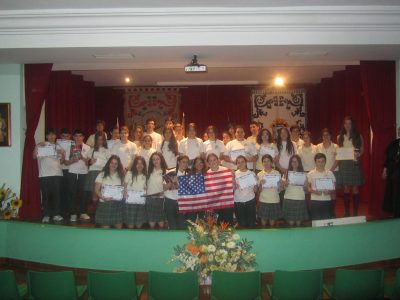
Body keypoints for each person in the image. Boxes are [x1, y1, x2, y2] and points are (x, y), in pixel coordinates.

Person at [33, 128, 65, 223]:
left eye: (53, 135)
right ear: (46, 136)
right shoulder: (42, 145)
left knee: (56, 195)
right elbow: (34, 156)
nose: (52, 136)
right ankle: (46, 214)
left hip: (57, 173)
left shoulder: (58, 146)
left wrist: (63, 155)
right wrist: (37, 146)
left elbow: (62, 161)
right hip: (44, 174)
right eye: (50, 135)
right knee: (46, 195)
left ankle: (56, 214)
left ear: (56, 136)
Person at [337, 116, 365, 216]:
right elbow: (339, 151)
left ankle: (356, 213)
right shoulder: (339, 137)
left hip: (355, 163)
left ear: (352, 125)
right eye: (346, 124)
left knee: (355, 189)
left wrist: (359, 154)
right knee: (346, 189)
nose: (348, 126)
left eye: (349, 123)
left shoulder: (359, 136)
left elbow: (362, 150)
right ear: (343, 125)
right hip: (344, 164)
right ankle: (347, 212)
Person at [64, 129, 91, 222]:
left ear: (83, 137)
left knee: (83, 194)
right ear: (73, 137)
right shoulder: (69, 148)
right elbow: (66, 163)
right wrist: (73, 161)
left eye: (80, 136)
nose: (78, 138)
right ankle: (73, 213)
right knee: (72, 193)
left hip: (84, 173)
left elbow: (89, 163)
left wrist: (83, 158)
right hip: (72, 172)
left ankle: (83, 212)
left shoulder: (88, 148)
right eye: (76, 136)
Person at [94, 155, 125, 228]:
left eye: (116, 163)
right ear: (108, 163)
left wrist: (123, 194)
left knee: (119, 228)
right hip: (105, 204)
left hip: (117, 205)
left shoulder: (121, 175)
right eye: (112, 163)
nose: (113, 165)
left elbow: (123, 189)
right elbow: (96, 189)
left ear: (118, 165)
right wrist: (103, 197)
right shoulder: (102, 174)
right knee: (105, 230)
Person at [316, 128, 339, 217]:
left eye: (327, 135)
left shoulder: (336, 146)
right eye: (324, 135)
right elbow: (316, 158)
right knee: (322, 192)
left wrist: (330, 171)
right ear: (322, 136)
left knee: (332, 192)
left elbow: (337, 159)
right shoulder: (318, 146)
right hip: (320, 173)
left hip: (333, 172)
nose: (325, 137)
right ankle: (322, 211)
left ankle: (332, 212)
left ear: (331, 136)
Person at [207, 153, 234, 224]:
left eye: (214, 160)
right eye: (210, 160)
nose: (213, 162)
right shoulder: (206, 174)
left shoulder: (226, 170)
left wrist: (233, 177)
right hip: (214, 205)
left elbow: (232, 184)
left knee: (228, 225)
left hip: (227, 203)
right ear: (208, 163)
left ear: (218, 160)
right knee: (216, 225)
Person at [163, 155, 190, 229]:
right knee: (172, 226)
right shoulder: (171, 172)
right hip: (170, 202)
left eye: (187, 162)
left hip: (181, 203)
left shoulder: (187, 175)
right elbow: (163, 188)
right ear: (178, 162)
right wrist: (171, 182)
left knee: (181, 225)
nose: (185, 164)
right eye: (183, 162)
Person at [307, 153, 336, 220]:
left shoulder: (330, 173)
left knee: (326, 222)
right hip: (315, 201)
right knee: (315, 222)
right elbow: (306, 187)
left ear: (325, 162)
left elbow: (334, 187)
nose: (321, 163)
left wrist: (330, 191)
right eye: (318, 161)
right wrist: (314, 191)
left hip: (327, 200)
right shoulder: (310, 173)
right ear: (315, 162)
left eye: (323, 161)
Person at [282, 155, 309, 226]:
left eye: (296, 161)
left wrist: (305, 186)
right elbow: (283, 188)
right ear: (290, 163)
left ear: (299, 162)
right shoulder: (286, 173)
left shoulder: (304, 174)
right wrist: (285, 184)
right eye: (292, 161)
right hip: (289, 198)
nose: (294, 163)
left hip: (300, 198)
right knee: (291, 223)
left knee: (298, 223)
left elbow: (306, 191)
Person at [257, 154, 282, 227]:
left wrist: (279, 184)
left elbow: (279, 189)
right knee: (263, 222)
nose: (266, 163)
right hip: (264, 200)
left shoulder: (277, 173)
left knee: (272, 223)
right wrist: (261, 184)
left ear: (271, 162)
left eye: (268, 161)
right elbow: (258, 191)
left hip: (274, 199)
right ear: (262, 163)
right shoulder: (259, 174)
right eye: (264, 161)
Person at [85, 132, 110, 203]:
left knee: (103, 191)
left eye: (102, 139)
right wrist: (90, 161)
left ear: (104, 140)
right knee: (94, 192)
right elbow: (87, 163)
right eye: (98, 139)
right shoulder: (92, 149)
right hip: (93, 172)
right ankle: (94, 211)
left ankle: (101, 209)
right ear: (96, 140)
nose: (100, 141)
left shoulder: (107, 150)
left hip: (103, 172)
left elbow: (110, 163)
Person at [124, 156, 148, 229]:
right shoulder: (129, 173)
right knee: (130, 225)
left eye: (141, 164)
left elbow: (147, 189)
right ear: (134, 165)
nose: (140, 165)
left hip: (140, 203)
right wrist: (125, 192)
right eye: (137, 163)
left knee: (139, 225)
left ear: (144, 165)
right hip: (130, 203)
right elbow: (124, 186)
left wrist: (146, 193)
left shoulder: (146, 176)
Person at [234, 155, 257, 228]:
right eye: (238, 162)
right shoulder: (234, 174)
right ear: (236, 164)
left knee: (251, 223)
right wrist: (234, 186)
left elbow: (255, 189)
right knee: (242, 224)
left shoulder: (252, 174)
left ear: (246, 163)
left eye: (242, 162)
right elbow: (232, 189)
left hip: (250, 199)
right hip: (238, 200)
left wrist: (256, 186)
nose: (240, 164)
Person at [146, 152, 168, 229]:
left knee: (161, 224)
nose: (155, 161)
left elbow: (167, 187)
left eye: (157, 159)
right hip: (150, 199)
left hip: (160, 200)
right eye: (153, 159)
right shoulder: (148, 172)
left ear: (161, 159)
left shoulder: (165, 172)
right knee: (151, 224)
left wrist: (170, 184)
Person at [382, 126, 400, 217]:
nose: (399, 132)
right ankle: (395, 213)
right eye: (399, 131)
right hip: (394, 173)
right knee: (394, 193)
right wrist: (384, 170)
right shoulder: (394, 144)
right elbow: (388, 159)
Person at [58, 128, 72, 217]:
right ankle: (61, 210)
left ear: (70, 136)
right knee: (61, 191)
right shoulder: (56, 144)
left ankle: (68, 210)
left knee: (69, 191)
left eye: (67, 136)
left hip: (70, 170)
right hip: (60, 170)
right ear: (60, 136)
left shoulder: (73, 144)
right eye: (63, 136)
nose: (65, 138)